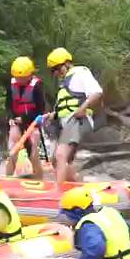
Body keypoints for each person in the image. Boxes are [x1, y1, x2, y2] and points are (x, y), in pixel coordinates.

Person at [42, 48, 103, 193]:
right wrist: (53, 115)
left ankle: (56, 193)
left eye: (57, 69)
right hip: (66, 123)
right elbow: (65, 107)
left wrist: (83, 108)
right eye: (53, 71)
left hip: (78, 121)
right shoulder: (65, 82)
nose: (56, 73)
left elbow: (97, 92)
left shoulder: (80, 73)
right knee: (60, 161)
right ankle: (78, 188)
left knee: (61, 154)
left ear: (67, 64)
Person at [53, 187, 130, 259]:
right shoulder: (111, 213)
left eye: (66, 215)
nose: (67, 219)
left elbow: (96, 251)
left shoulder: (88, 225)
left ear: (75, 212)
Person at [5, 56, 47, 179]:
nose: (20, 80)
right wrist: (11, 117)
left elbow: (40, 109)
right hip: (16, 123)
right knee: (12, 153)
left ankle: (40, 180)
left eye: (22, 78)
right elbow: (8, 105)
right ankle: (7, 179)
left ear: (30, 75)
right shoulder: (12, 85)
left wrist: (24, 118)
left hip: (32, 123)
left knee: (33, 155)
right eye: (18, 77)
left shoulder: (37, 86)